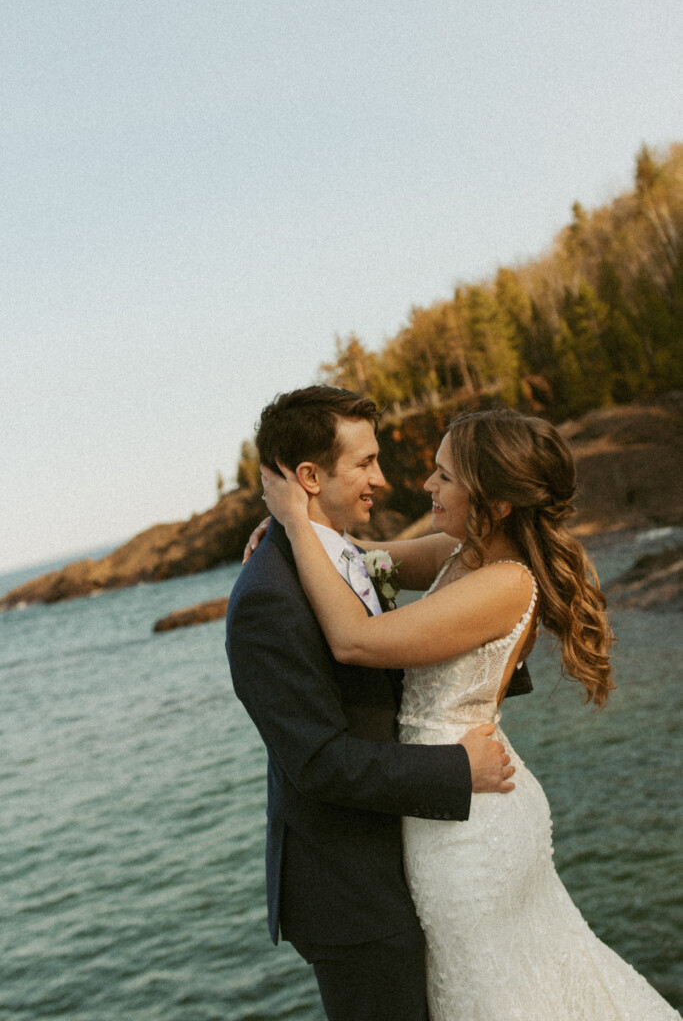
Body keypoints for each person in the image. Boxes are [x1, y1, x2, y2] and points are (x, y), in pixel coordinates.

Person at [261, 405, 682, 1021]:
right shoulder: (459, 553)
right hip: (450, 797)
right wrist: (281, 537)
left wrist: (294, 524)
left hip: (470, 820)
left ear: (496, 499)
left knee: (501, 990)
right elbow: (356, 559)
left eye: (445, 476)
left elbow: (355, 640)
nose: (426, 485)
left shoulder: (506, 583)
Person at [225, 386, 533, 1021]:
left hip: (417, 860)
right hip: (353, 896)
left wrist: (296, 524)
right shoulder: (268, 599)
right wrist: (455, 769)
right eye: (365, 463)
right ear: (309, 476)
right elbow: (318, 763)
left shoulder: (344, 556)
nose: (384, 480)